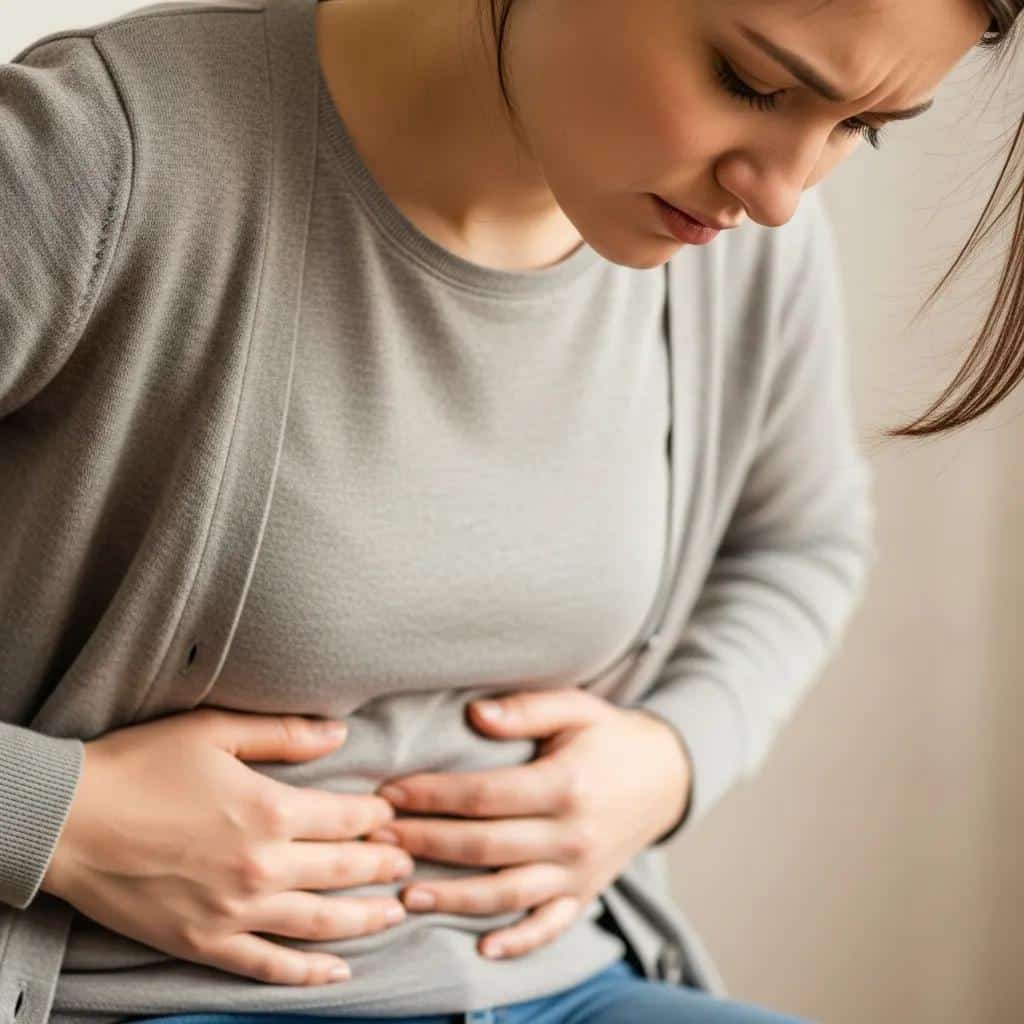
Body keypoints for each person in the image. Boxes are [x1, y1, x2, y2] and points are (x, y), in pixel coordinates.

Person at [0, 1, 1016, 1023]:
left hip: (567, 983)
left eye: (861, 126)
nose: (783, 192)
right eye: (750, 83)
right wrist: (56, 815)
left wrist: (671, 757)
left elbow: (799, 542)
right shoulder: (99, 153)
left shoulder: (731, 244)